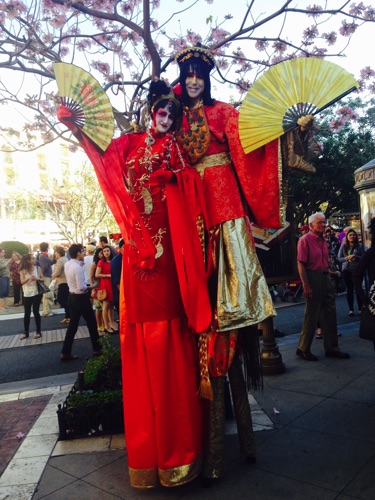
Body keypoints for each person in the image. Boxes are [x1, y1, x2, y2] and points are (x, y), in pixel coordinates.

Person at [57, 80, 211, 488]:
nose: (165, 119)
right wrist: (77, 128)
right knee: (140, 343)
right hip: (138, 258)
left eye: (172, 115)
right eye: (161, 112)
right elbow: (103, 163)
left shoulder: (177, 152)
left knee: (169, 339)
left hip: (167, 261)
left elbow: (196, 191)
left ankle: (179, 451)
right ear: (149, 113)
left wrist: (175, 181)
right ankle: (149, 455)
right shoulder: (126, 145)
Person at [175, 44, 301, 483]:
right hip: (189, 210)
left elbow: (254, 143)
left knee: (230, 298)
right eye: (188, 73)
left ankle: (235, 441)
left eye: (200, 74)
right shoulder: (171, 114)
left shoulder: (225, 112)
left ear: (206, 79)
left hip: (225, 207)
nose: (194, 80)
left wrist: (289, 129)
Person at [296, 212, 350, 360]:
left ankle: (332, 347)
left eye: (324, 222)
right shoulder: (304, 240)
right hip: (312, 277)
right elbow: (301, 264)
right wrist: (306, 285)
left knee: (330, 313)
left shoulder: (323, 241)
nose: (323, 225)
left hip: (325, 276)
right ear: (312, 225)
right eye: (320, 222)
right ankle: (303, 348)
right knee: (312, 314)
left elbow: (325, 262)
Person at [60, 243, 102, 361]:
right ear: (78, 253)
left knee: (73, 325)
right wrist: (93, 285)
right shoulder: (77, 268)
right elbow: (82, 288)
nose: (84, 253)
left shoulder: (68, 264)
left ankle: (65, 352)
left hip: (72, 297)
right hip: (81, 298)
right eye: (82, 251)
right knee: (92, 323)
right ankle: (97, 349)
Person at [337, 228, 363, 316]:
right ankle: (351, 309)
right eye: (350, 235)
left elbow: (364, 257)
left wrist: (356, 258)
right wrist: (347, 258)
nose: (352, 237)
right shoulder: (343, 246)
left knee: (358, 290)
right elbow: (338, 259)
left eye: (353, 235)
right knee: (350, 290)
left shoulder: (360, 246)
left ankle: (360, 308)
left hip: (358, 271)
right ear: (347, 237)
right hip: (347, 270)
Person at [353, 217, 375, 319]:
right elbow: (356, 275)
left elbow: (356, 275)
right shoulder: (371, 253)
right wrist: (365, 299)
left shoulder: (370, 252)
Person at [19, 253, 44, 339]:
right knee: (27, 313)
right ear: (28, 261)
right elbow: (21, 282)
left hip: (36, 292)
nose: (35, 260)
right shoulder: (22, 270)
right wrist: (29, 278)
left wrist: (37, 279)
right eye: (32, 258)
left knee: (36, 311)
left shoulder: (38, 268)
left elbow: (43, 279)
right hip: (26, 292)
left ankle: (38, 331)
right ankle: (26, 332)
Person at [95, 245, 117, 333]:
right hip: (105, 285)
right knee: (105, 306)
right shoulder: (101, 262)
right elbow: (97, 274)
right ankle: (106, 325)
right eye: (104, 251)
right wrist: (108, 276)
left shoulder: (113, 261)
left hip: (112, 284)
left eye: (108, 251)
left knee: (111, 306)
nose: (106, 253)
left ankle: (112, 323)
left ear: (110, 251)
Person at [52, 245, 70, 324]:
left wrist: (53, 274)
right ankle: (68, 316)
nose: (55, 254)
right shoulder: (66, 259)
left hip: (62, 282)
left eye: (55, 252)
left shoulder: (59, 261)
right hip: (67, 281)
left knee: (61, 299)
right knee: (66, 299)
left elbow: (56, 273)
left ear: (58, 253)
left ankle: (70, 314)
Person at [90, 247, 104, 333]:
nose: (102, 254)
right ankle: (99, 324)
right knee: (99, 308)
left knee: (105, 307)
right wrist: (93, 289)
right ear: (97, 254)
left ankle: (105, 323)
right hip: (97, 287)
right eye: (101, 253)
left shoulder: (106, 262)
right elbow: (91, 278)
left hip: (105, 286)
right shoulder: (94, 264)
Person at [38, 242, 54, 317]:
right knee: (47, 294)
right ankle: (46, 311)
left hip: (47, 275)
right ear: (47, 248)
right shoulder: (43, 256)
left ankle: (47, 310)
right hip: (46, 276)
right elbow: (44, 267)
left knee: (47, 294)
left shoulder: (43, 256)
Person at [110, 239, 124, 322]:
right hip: (120, 295)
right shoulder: (116, 260)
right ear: (120, 248)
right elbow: (117, 281)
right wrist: (123, 295)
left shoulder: (129, 258)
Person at [0, 247, 12, 314]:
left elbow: (7, 266)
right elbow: (2, 266)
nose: (4, 253)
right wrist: (8, 262)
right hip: (2, 277)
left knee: (6, 292)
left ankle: (5, 305)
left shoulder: (4, 259)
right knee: (2, 292)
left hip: (7, 276)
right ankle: (1, 307)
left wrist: (9, 262)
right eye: (3, 252)